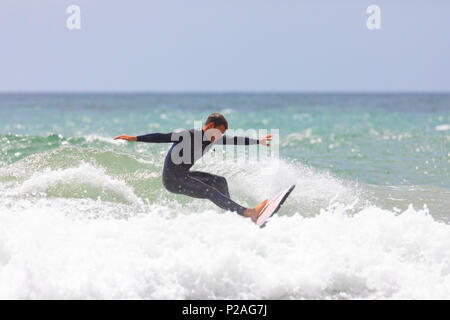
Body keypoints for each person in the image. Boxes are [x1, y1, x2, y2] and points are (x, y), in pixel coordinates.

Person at [114, 113, 272, 222]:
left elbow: (234, 140)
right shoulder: (188, 135)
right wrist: (135, 138)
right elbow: (162, 136)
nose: (219, 136)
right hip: (172, 180)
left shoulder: (211, 138)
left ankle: (231, 216)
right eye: (219, 132)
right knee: (209, 191)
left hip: (184, 175)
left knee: (220, 182)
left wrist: (258, 141)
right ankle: (247, 213)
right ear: (210, 125)